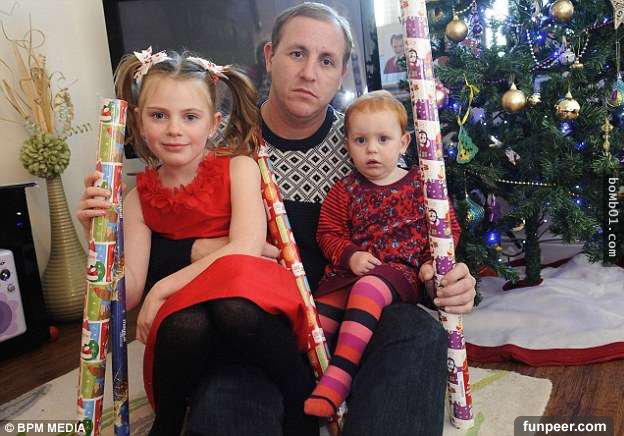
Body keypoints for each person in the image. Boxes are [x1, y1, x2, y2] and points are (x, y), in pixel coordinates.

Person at [81, 3, 476, 435]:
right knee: (228, 399)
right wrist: (108, 232)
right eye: (297, 53)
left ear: (342, 73)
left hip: (353, 316)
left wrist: (444, 280)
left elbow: (414, 238)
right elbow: (155, 255)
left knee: (417, 333)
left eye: (327, 61)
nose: (309, 73)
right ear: (270, 56)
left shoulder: (368, 139)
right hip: (253, 330)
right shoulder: (211, 141)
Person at [77, 48, 317, 435]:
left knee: (230, 306)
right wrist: (98, 236)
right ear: (138, 121)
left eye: (190, 117)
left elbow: (244, 249)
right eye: (159, 115)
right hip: (191, 306)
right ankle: (168, 419)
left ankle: (297, 394)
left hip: (248, 294)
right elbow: (129, 293)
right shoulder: (137, 199)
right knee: (185, 322)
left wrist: (163, 288)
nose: (174, 129)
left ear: (213, 124)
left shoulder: (239, 167)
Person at [304, 90, 462, 417]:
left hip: (398, 273)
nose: (371, 149)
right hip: (350, 272)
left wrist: (430, 263)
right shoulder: (345, 190)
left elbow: (447, 229)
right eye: (360, 140)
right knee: (318, 319)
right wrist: (350, 256)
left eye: (383, 139)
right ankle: (308, 381)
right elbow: (328, 233)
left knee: (368, 288)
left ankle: (341, 376)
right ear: (347, 144)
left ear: (403, 143)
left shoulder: (422, 184)